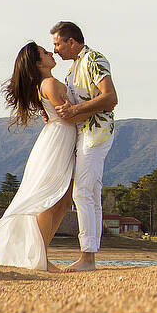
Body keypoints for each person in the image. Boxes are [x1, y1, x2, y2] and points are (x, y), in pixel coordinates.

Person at [0, 42, 77, 271]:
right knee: (49, 201)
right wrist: (99, 108)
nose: (50, 52)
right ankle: (41, 257)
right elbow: (69, 116)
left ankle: (41, 254)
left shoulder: (46, 83)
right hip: (58, 141)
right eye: (44, 52)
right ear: (38, 63)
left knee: (64, 200)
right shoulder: (48, 83)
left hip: (59, 139)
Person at [50, 20, 118, 273]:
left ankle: (87, 258)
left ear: (72, 41)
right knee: (91, 193)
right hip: (85, 134)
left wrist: (75, 109)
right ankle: (90, 255)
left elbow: (110, 98)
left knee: (83, 192)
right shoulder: (74, 68)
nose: (55, 50)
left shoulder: (93, 59)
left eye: (57, 44)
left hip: (96, 134)